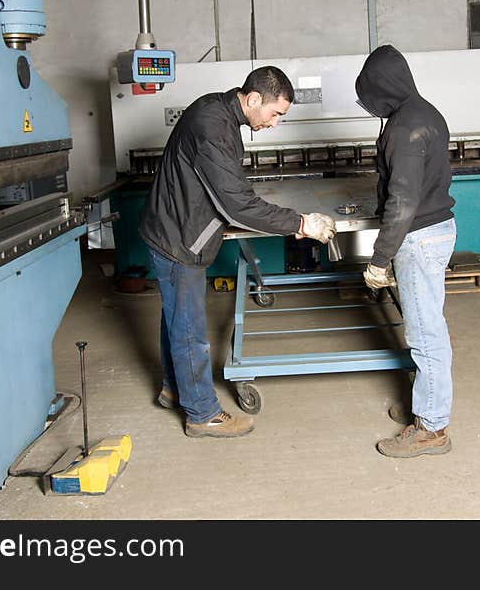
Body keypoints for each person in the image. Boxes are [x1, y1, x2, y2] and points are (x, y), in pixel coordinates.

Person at [139, 66, 336, 438]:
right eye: (275, 114)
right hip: (178, 237)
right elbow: (238, 204)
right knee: (189, 328)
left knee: (176, 318)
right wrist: (300, 224)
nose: (275, 123)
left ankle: (173, 387)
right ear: (253, 99)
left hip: (172, 226)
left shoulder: (218, 112)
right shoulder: (213, 127)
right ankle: (201, 413)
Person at [355, 45, 457, 458]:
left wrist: (380, 259)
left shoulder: (405, 126)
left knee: (424, 334)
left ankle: (432, 429)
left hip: (419, 236)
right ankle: (425, 407)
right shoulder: (424, 111)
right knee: (427, 326)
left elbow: (403, 200)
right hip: (434, 231)